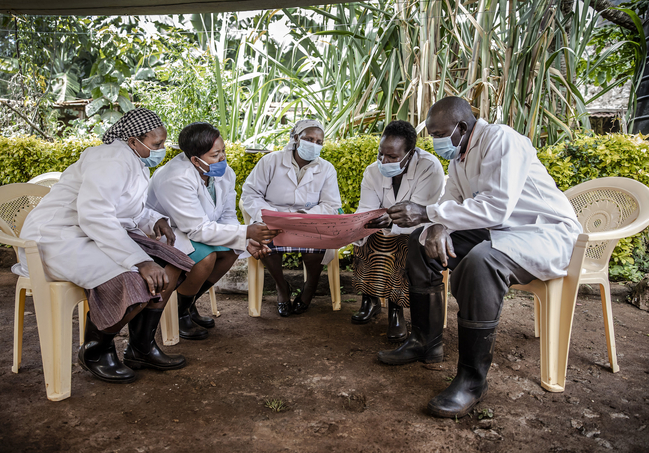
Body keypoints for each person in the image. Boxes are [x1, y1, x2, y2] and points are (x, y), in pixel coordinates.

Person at [378, 97, 582, 418]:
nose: (434, 141)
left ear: (461, 127)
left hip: (543, 233)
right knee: (421, 242)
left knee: (481, 262)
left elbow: (495, 206)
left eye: (438, 133)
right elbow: (452, 200)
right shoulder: (459, 156)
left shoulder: (501, 140)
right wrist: (436, 226)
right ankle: (425, 342)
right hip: (501, 229)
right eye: (431, 134)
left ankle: (472, 380)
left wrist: (427, 213)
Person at [16, 108, 205, 384]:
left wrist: (155, 219)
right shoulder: (111, 159)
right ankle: (96, 351)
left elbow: (126, 208)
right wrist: (139, 261)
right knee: (135, 280)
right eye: (156, 145)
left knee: (172, 262)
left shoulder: (134, 160)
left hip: (91, 232)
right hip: (58, 238)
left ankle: (141, 347)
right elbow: (95, 215)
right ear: (132, 140)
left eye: (163, 143)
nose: (162, 150)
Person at [147, 122, 278, 339]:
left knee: (230, 251)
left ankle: (188, 305)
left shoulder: (224, 174)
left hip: (197, 230)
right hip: (167, 233)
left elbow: (227, 216)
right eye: (215, 154)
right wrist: (246, 233)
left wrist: (246, 240)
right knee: (206, 258)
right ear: (194, 159)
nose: (223, 158)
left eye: (223, 151)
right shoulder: (175, 177)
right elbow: (196, 230)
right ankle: (180, 314)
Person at [352, 120, 444, 341]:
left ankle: (396, 310)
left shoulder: (429, 167)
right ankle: (370, 298)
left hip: (418, 228)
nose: (384, 161)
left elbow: (420, 214)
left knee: (405, 243)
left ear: (410, 153)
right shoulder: (373, 171)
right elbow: (367, 207)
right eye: (381, 154)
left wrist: (390, 223)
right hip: (385, 225)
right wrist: (365, 222)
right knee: (366, 235)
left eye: (392, 157)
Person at [241, 119, 342, 317]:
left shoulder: (326, 168)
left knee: (317, 246)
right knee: (265, 242)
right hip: (272, 217)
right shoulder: (271, 161)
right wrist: (270, 215)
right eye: (309, 139)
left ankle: (310, 287)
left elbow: (331, 205)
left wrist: (305, 216)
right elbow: (250, 194)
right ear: (296, 138)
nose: (314, 144)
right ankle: (282, 287)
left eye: (319, 141)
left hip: (309, 221)